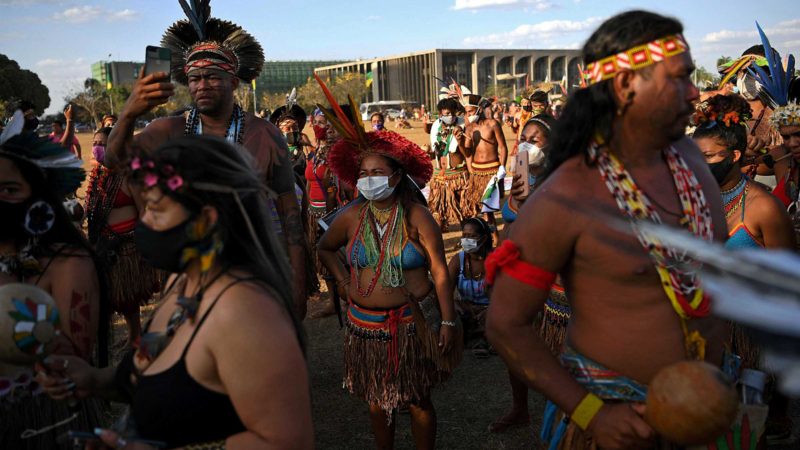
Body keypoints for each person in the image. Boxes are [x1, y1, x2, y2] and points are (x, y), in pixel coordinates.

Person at [486, 11, 736, 449]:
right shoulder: (568, 196)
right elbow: (506, 323)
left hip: (706, 409)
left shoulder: (692, 161)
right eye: (679, 78)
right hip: (617, 425)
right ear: (625, 87)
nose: (695, 92)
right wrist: (590, 412)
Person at [38, 136, 313, 449]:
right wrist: (94, 380)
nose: (143, 222)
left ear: (207, 219)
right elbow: (157, 380)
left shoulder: (246, 313)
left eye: (155, 209)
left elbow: (283, 442)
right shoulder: (182, 282)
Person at [106, 3, 307, 318]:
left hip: (253, 269)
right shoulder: (168, 131)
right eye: (195, 78)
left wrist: (296, 280)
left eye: (212, 77)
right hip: (188, 274)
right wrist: (130, 112)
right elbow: (114, 160)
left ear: (233, 82)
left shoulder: (265, 135)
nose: (201, 85)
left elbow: (289, 208)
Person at [317, 91, 461, 449]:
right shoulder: (351, 215)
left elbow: (440, 271)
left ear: (397, 177)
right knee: (377, 400)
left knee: (417, 399)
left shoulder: (417, 215)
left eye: (377, 172)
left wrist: (447, 321)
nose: (369, 179)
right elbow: (325, 247)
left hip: (412, 323)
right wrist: (344, 281)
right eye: (364, 173)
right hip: (364, 325)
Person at [0, 131, 104, 449]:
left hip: (47, 420)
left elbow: (72, 362)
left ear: (38, 196)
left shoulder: (67, 262)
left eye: (9, 189)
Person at [492, 114, 572, 434]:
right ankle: (520, 407)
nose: (527, 142)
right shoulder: (521, 170)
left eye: (535, 138)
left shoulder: (563, 178)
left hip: (554, 279)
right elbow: (511, 218)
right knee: (515, 345)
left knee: (562, 353)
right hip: (519, 273)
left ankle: (567, 416)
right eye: (524, 136)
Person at [84, 127, 160, 345]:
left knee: (127, 298)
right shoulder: (96, 176)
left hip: (127, 248)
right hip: (103, 245)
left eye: (104, 144)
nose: (98, 148)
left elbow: (144, 210)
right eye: (96, 143)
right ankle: (131, 335)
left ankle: (135, 336)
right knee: (112, 296)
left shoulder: (129, 175)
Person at [463, 94, 508, 243]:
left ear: (478, 110)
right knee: (483, 210)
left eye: (470, 112)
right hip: (477, 172)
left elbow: (503, 147)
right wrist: (459, 140)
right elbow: (467, 153)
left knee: (487, 210)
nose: (468, 115)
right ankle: (492, 237)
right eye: (466, 113)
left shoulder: (493, 124)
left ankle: (495, 238)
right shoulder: (469, 129)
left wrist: (502, 168)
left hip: (492, 170)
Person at [448, 217, 493, 358]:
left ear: (484, 238)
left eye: (472, 236)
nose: (467, 240)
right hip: (467, 308)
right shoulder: (458, 260)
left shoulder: (496, 259)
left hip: (492, 308)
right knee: (452, 310)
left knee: (494, 316)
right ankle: (481, 338)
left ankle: (484, 339)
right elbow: (445, 291)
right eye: (464, 236)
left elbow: (506, 296)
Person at [428, 97, 470, 232]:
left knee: (463, 209)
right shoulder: (436, 125)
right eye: (446, 114)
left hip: (458, 176)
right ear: (440, 114)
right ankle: (438, 239)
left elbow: (467, 151)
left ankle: (466, 233)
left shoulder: (463, 125)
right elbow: (435, 148)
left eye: (452, 113)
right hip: (440, 175)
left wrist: (460, 140)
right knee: (437, 210)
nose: (450, 116)